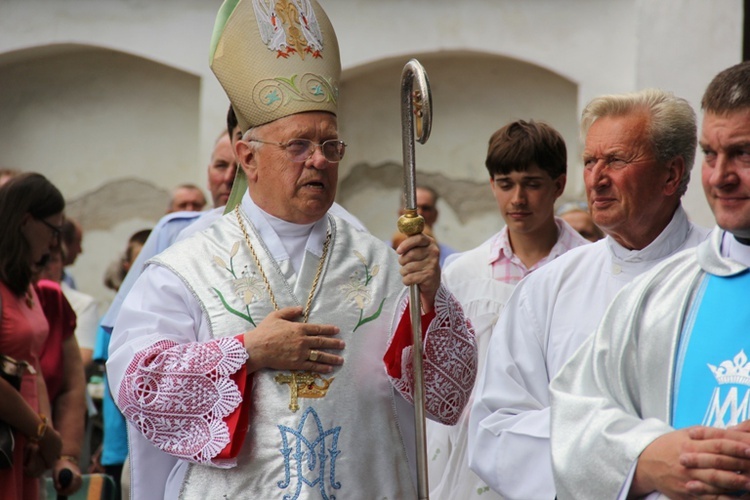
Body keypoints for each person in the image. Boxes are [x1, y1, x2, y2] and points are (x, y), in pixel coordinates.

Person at [106, 1, 476, 498]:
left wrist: (430, 299)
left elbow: (447, 396)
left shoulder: (383, 265)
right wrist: (247, 353)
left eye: (330, 147)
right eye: (299, 146)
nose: (319, 161)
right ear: (247, 158)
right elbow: (137, 383)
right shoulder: (186, 268)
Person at [468, 88, 711, 499]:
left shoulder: (722, 276)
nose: (596, 179)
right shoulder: (546, 290)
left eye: (615, 161)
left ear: (671, 175)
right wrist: (634, 463)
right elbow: (496, 430)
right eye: (589, 162)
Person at [550, 60, 750, 500]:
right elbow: (574, 416)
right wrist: (645, 458)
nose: (720, 177)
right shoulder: (660, 294)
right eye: (712, 155)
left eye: (743, 153)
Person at [427, 119, 588, 499]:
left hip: (562, 452)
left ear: (559, 185)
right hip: (477, 456)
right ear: (492, 186)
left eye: (532, 184)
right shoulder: (464, 273)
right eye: (506, 184)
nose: (518, 199)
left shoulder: (588, 266)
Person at [0, 172, 64, 499]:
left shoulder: (24, 284)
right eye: (53, 229)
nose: (55, 242)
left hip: (24, 438)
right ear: (26, 221)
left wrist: (44, 436)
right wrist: (40, 430)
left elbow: (32, 364)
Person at [394, 186, 456, 267]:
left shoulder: (452, 261)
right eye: (412, 208)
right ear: (400, 213)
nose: (419, 213)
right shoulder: (380, 254)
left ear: (435, 215)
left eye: (426, 208)